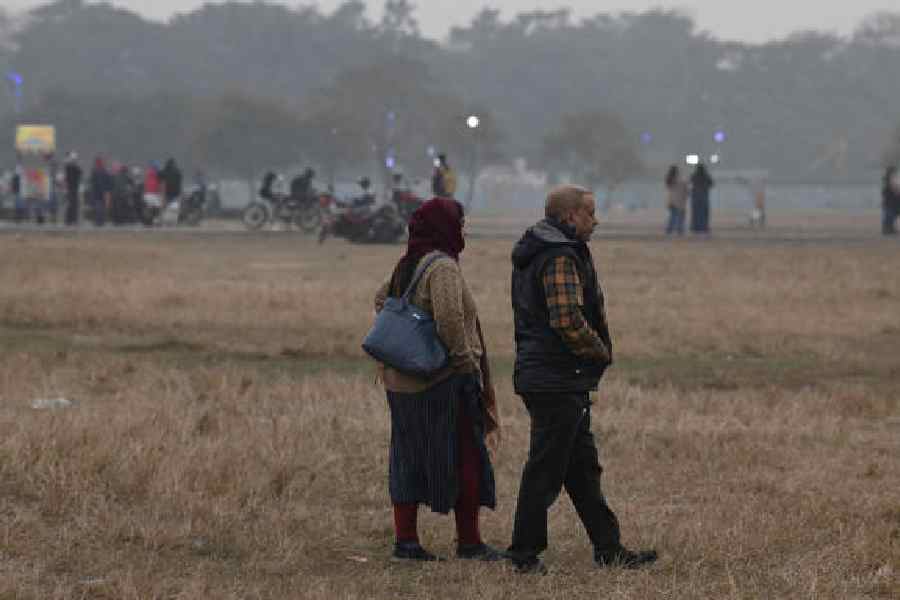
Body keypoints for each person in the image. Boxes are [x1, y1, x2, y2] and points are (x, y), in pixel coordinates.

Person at [506, 185, 657, 574]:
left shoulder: (541, 249)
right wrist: (599, 350)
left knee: (581, 468)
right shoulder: (558, 255)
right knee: (545, 469)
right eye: (590, 212)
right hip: (557, 376)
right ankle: (523, 553)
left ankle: (609, 548)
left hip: (551, 375)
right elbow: (567, 320)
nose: (596, 220)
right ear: (570, 216)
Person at [373, 197, 502, 562]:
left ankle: (407, 542)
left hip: (401, 382)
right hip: (441, 381)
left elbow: (381, 299)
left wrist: (409, 335)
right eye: (459, 223)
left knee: (407, 457)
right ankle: (470, 543)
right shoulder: (442, 267)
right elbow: (449, 320)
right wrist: (464, 366)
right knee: (466, 456)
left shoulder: (408, 262)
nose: (463, 230)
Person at [690, 163, 714, 233]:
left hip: (695, 197)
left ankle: (696, 227)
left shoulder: (694, 176)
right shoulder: (706, 176)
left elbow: (690, 182)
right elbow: (711, 184)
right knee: (704, 213)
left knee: (696, 213)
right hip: (704, 196)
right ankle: (704, 227)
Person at [664, 165, 688, 235]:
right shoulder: (680, 180)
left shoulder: (669, 180)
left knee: (672, 217)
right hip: (680, 201)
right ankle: (680, 230)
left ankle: (669, 229)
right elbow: (686, 190)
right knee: (680, 217)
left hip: (671, 201)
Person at [89, 157, 113, 227]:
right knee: (102, 207)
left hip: (96, 192)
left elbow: (92, 182)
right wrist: (108, 190)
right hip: (103, 192)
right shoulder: (105, 171)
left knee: (97, 207)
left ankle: (97, 221)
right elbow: (109, 182)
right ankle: (101, 221)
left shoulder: (94, 171)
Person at [64, 152, 82, 226]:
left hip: (72, 189)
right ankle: (71, 221)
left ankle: (70, 221)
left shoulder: (69, 167)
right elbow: (80, 173)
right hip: (72, 189)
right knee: (72, 205)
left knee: (72, 205)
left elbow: (80, 173)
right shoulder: (71, 168)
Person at [881, 166, 899, 236]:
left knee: (889, 217)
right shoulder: (888, 182)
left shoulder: (890, 182)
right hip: (890, 204)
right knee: (889, 217)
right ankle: (888, 229)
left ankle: (889, 229)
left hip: (892, 204)